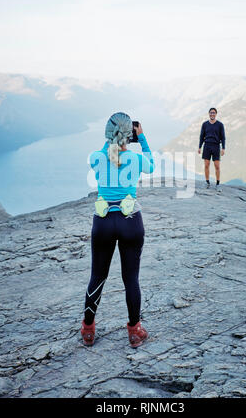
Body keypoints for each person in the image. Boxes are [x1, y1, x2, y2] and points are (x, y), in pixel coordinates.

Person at [81, 112, 155, 348]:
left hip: (103, 221)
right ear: (129, 135)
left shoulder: (97, 157)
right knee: (131, 279)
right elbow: (151, 165)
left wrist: (112, 138)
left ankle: (88, 330)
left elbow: (107, 154)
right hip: (130, 221)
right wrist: (141, 137)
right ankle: (134, 331)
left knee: (97, 277)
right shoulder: (135, 159)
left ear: (107, 134)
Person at [198, 107, 226, 192]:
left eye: (213, 113)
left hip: (216, 146)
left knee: (217, 166)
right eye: (211, 113)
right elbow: (201, 136)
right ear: (209, 114)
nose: (212, 114)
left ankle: (217, 184)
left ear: (216, 114)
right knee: (206, 165)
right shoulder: (205, 124)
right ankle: (207, 182)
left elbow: (223, 137)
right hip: (207, 146)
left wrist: (223, 148)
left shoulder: (220, 125)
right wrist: (200, 147)